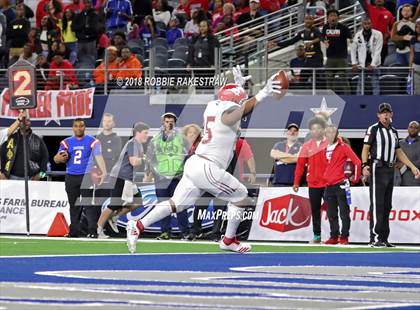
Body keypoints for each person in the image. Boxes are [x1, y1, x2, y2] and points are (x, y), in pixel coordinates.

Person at [126, 67, 283, 253]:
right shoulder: (227, 112)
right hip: (208, 165)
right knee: (241, 196)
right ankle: (228, 240)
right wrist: (263, 93)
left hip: (195, 163)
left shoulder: (213, 105)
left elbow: (232, 103)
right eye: (240, 99)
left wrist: (239, 86)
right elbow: (236, 113)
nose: (242, 102)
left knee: (177, 203)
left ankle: (138, 226)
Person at [362, 103, 420, 247]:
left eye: (388, 112)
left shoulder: (394, 131)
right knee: (377, 203)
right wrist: (364, 165)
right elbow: (365, 148)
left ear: (392, 114)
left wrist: (412, 167)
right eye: (383, 113)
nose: (385, 115)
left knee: (387, 205)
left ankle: (384, 238)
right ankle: (374, 238)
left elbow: (398, 152)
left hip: (389, 169)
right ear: (378, 115)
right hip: (377, 166)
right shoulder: (373, 129)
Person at [54, 118, 107, 238]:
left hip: (86, 175)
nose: (79, 128)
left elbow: (98, 156)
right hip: (71, 176)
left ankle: (92, 231)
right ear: (73, 128)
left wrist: (104, 171)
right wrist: (59, 158)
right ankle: (74, 231)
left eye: (81, 126)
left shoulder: (92, 141)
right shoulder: (66, 142)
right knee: (73, 205)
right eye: (76, 126)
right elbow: (56, 159)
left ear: (84, 127)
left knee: (88, 204)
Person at [97, 122, 149, 238]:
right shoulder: (133, 143)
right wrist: (146, 159)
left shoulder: (137, 144)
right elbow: (133, 161)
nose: (147, 135)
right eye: (145, 133)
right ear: (137, 133)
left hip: (128, 178)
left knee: (138, 201)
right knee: (114, 205)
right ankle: (98, 230)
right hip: (120, 177)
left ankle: (115, 216)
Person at [145, 112, 190, 240]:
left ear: (175, 122)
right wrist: (153, 172)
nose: (169, 123)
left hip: (178, 177)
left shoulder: (181, 138)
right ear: (162, 122)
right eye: (166, 121)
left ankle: (185, 232)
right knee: (162, 206)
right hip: (161, 178)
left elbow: (189, 155)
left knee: (180, 205)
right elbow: (150, 157)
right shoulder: (155, 139)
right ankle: (165, 232)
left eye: (171, 121)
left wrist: (185, 173)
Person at [323, 125, 361, 245]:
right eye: (328, 133)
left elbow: (357, 162)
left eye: (332, 133)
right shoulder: (324, 148)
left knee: (344, 213)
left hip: (341, 184)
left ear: (336, 134)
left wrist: (355, 179)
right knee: (331, 213)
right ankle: (334, 236)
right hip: (328, 185)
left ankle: (344, 237)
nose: (330, 135)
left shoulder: (343, 147)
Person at [293, 117, 328, 244]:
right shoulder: (306, 146)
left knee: (333, 210)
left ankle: (335, 235)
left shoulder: (330, 144)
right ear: (310, 131)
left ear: (323, 130)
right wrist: (296, 182)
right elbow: (300, 165)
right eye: (313, 129)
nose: (316, 131)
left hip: (329, 183)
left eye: (318, 128)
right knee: (315, 210)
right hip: (313, 183)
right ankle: (317, 236)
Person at [0, 112, 49, 181]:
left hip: (31, 178)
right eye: (23, 121)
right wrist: (2, 173)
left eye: (28, 121)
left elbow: (45, 158)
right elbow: (2, 156)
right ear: (19, 124)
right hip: (11, 177)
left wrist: (40, 175)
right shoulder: (10, 139)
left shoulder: (38, 140)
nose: (26, 123)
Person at [322, 9, 352, 95]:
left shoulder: (344, 28)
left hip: (341, 58)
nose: (333, 18)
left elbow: (350, 38)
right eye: (331, 16)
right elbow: (323, 37)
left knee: (343, 78)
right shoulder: (325, 27)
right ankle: (330, 98)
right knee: (329, 78)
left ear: (338, 18)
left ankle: (348, 97)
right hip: (330, 58)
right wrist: (325, 42)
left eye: (335, 15)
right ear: (327, 18)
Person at [351, 17, 383, 95]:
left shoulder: (378, 34)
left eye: (368, 23)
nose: (367, 26)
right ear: (362, 24)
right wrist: (354, 62)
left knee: (375, 84)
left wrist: (372, 64)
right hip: (363, 64)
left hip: (374, 63)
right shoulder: (358, 35)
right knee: (360, 84)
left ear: (371, 24)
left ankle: (376, 100)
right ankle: (358, 100)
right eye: (365, 24)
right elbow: (353, 49)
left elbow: (378, 50)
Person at [72, 0, 100, 66]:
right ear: (83, 4)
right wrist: (83, 27)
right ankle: (81, 74)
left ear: (91, 4)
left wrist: (89, 33)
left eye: (89, 3)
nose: (87, 4)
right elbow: (73, 27)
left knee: (91, 59)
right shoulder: (78, 15)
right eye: (86, 3)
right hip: (80, 41)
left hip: (91, 41)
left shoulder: (95, 15)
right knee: (79, 59)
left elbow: (97, 28)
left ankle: (90, 74)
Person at [395, 121, 420, 186]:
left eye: (416, 128)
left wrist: (405, 165)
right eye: (411, 127)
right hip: (398, 180)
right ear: (408, 128)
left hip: (415, 179)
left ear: (419, 130)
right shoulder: (400, 143)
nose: (413, 129)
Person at [410, 18, 420, 95]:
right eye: (417, 27)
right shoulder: (413, 39)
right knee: (417, 89)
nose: (418, 28)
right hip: (416, 66)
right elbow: (412, 53)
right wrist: (410, 67)